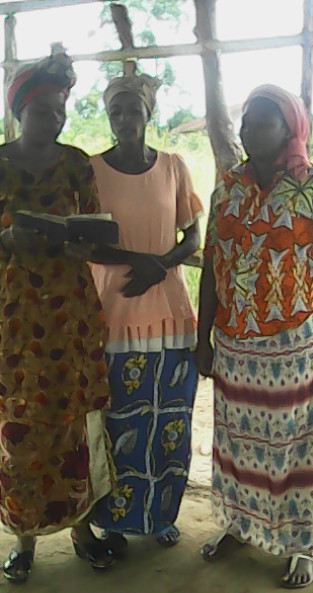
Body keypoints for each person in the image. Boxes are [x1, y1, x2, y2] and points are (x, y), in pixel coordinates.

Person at [195, 84, 313, 588]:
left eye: (262, 122)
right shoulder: (227, 187)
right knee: (237, 445)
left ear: (289, 128)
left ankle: (302, 544)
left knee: (299, 447)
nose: (249, 131)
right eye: (246, 121)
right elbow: (211, 266)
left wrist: (298, 292)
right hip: (235, 346)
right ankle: (240, 526)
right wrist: (204, 339)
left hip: (294, 348)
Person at [0, 52, 115, 583]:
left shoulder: (76, 164)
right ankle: (24, 541)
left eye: (60, 111)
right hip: (18, 321)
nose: (54, 120)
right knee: (21, 428)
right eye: (44, 110)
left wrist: (81, 245)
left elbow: (95, 230)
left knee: (73, 425)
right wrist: (4, 239)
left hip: (70, 317)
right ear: (21, 111)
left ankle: (81, 531)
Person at [67, 73, 202, 553]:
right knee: (118, 423)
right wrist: (134, 262)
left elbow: (192, 237)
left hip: (169, 313)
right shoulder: (91, 170)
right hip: (113, 312)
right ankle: (116, 522)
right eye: (116, 112)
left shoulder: (173, 167)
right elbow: (81, 242)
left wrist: (159, 266)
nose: (125, 119)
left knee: (169, 421)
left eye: (133, 110)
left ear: (149, 114)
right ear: (108, 117)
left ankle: (162, 517)